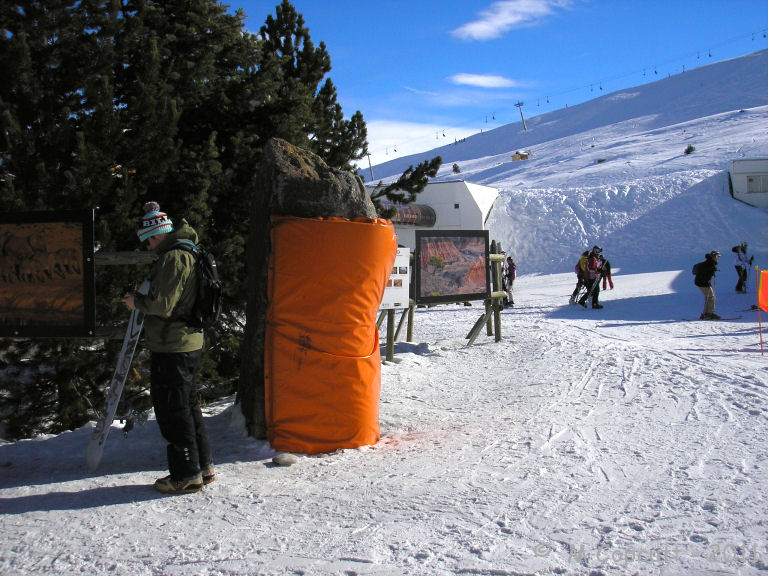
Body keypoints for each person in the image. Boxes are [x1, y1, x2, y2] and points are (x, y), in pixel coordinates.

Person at [121, 202, 214, 495]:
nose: (148, 246)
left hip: (173, 343)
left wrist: (136, 302)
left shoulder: (174, 258)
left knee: (173, 410)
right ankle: (202, 467)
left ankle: (186, 475)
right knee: (186, 406)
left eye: (148, 239)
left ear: (159, 234)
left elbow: (163, 304)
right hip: (186, 341)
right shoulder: (188, 251)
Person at [694, 250, 720, 320]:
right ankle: (709, 314)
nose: (718, 258)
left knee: (708, 297)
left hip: (701, 282)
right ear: (714, 257)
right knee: (711, 297)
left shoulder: (709, 262)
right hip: (703, 283)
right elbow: (704, 272)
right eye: (717, 256)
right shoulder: (710, 263)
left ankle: (706, 313)